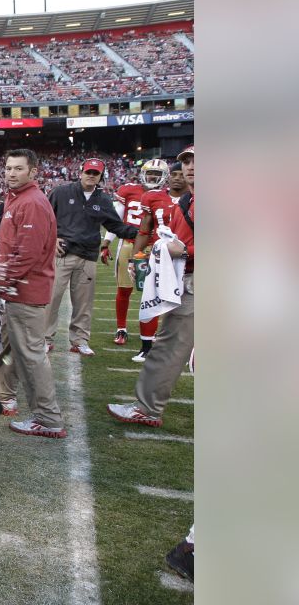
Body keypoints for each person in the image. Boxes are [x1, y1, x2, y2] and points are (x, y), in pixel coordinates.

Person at [107, 145, 195, 428]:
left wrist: (180, 251)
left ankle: (147, 408)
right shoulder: (187, 200)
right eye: (187, 161)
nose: (192, 167)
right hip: (183, 276)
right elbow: (147, 228)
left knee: (169, 345)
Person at [0, 149, 67, 439]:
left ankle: (48, 418)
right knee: (22, 352)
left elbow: (27, 254)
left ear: (33, 171)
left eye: (18, 169)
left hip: (27, 290)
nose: (11, 173)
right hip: (19, 289)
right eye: (8, 168)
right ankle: (22, 403)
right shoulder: (18, 198)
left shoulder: (31, 202)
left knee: (32, 355)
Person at [44, 158, 138, 356]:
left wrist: (140, 232)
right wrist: (51, 241)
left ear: (100, 177)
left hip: (87, 256)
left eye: (95, 173)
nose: (91, 176)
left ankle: (80, 340)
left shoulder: (103, 200)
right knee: (51, 299)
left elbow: (115, 226)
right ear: (81, 172)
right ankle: (45, 338)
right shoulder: (61, 192)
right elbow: (44, 217)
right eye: (88, 172)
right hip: (62, 254)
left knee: (83, 303)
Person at [127, 160, 188, 362]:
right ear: (168, 176)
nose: (177, 178)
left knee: (184, 305)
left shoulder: (195, 199)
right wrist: (134, 258)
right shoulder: (152, 196)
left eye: (181, 174)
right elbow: (145, 230)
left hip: (186, 256)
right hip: (158, 256)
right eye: (174, 174)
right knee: (150, 299)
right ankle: (146, 346)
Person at [106, 159, 166, 348]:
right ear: (142, 174)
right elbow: (116, 219)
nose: (153, 177)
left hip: (155, 247)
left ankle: (151, 332)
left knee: (154, 292)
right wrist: (106, 242)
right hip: (128, 244)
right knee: (124, 289)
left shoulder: (166, 194)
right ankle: (121, 328)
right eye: (150, 173)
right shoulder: (128, 190)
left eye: (157, 174)